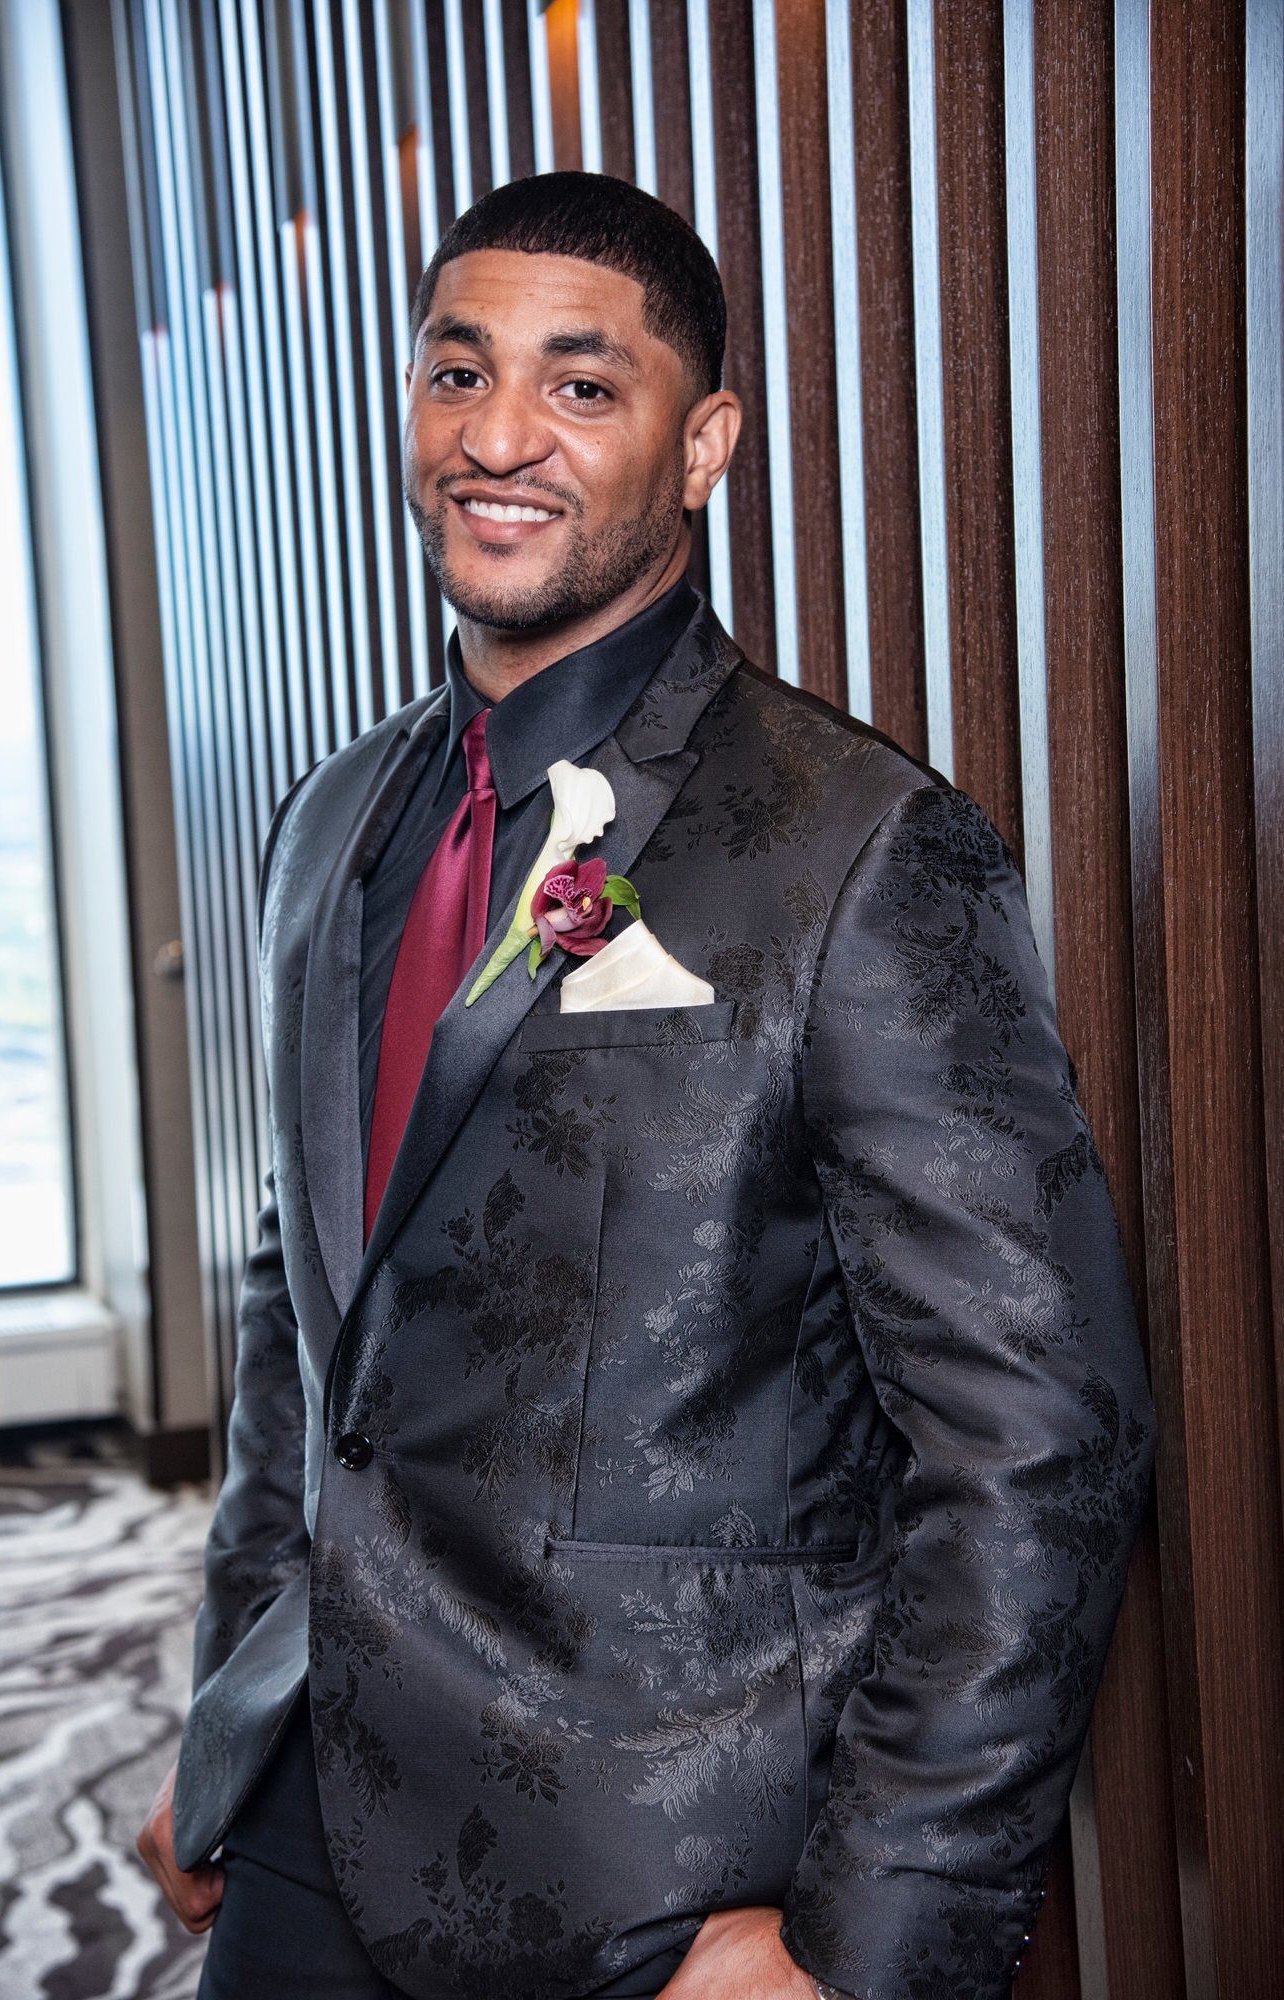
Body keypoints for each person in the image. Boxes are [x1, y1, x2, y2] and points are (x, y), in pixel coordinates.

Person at [138, 170, 1157, 2000]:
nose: (497, 437)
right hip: (308, 1805)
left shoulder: (855, 848)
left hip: (658, 1872)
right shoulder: (327, 825)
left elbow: (1037, 1439)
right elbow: (304, 1336)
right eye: (459, 373)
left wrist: (861, 1944)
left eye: (582, 386)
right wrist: (233, 1711)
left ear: (703, 446)